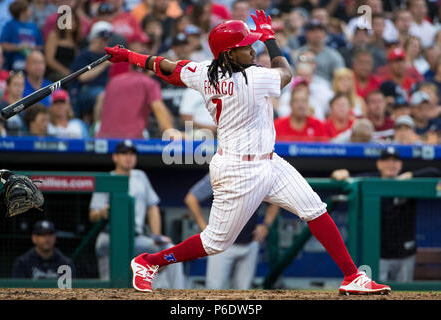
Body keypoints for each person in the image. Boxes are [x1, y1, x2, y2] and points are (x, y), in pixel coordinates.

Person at [105, 10, 391, 295]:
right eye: (245, 47)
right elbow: (286, 72)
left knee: (314, 209)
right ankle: (149, 262)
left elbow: (166, 67)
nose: (253, 50)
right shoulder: (253, 79)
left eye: (253, 44)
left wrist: (129, 55)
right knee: (215, 243)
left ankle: (352, 276)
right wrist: (270, 38)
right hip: (238, 170)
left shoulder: (204, 71)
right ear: (229, 55)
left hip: (269, 161)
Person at [331, 147, 440, 282]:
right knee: (377, 292)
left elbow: (434, 172)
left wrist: (410, 175)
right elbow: (347, 178)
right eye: (386, 161)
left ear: (400, 165)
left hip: (404, 254)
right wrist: (341, 173)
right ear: (379, 164)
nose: (391, 164)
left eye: (395, 161)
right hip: (378, 255)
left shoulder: (409, 182)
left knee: (403, 294)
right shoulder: (372, 180)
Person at [89, 140, 185, 288]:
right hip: (110, 239)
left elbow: (152, 207)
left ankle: (179, 297)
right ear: (115, 157)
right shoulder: (107, 179)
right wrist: (102, 212)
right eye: (124, 153)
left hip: (137, 239)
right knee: (109, 287)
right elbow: (92, 215)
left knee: (171, 252)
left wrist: (156, 235)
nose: (129, 157)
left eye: (132, 154)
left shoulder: (140, 176)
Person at [184, 173, 279, 289]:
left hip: (250, 242)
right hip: (221, 245)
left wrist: (266, 225)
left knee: (244, 293)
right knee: (214, 291)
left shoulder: (257, 173)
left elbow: (275, 200)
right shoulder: (220, 172)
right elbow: (191, 198)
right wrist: (204, 228)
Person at [95, 39, 174, 139]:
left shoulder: (114, 81)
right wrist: (171, 132)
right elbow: (159, 109)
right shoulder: (149, 83)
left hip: (102, 140)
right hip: (130, 142)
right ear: (151, 71)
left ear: (130, 67)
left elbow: (101, 106)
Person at [69, 21, 112, 124]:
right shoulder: (84, 54)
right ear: (93, 39)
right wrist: (104, 64)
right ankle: (98, 127)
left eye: (106, 40)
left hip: (100, 90)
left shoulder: (104, 55)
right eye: (101, 39)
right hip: (83, 90)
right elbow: (82, 77)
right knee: (103, 95)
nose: (103, 43)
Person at [12, 220, 76, 279]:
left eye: (50, 234)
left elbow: (69, 290)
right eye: (42, 234)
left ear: (54, 237)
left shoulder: (66, 264)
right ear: (34, 238)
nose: (47, 238)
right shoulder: (22, 263)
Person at [0, 0, 43, 71]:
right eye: (28, 9)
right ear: (22, 12)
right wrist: (19, 47)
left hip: (33, 63)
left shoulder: (33, 26)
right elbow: (3, 44)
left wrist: (32, 47)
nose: (30, 10)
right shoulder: (10, 25)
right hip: (15, 64)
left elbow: (40, 46)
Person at [44, 10, 82, 82]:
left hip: (71, 73)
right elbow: (49, 60)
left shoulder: (75, 40)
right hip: (55, 74)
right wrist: (66, 72)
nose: (71, 23)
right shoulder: (54, 35)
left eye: (73, 20)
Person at [0, 71, 25, 136]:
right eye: (15, 84)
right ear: (7, 86)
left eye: (21, 85)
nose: (19, 88)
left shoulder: (28, 107)